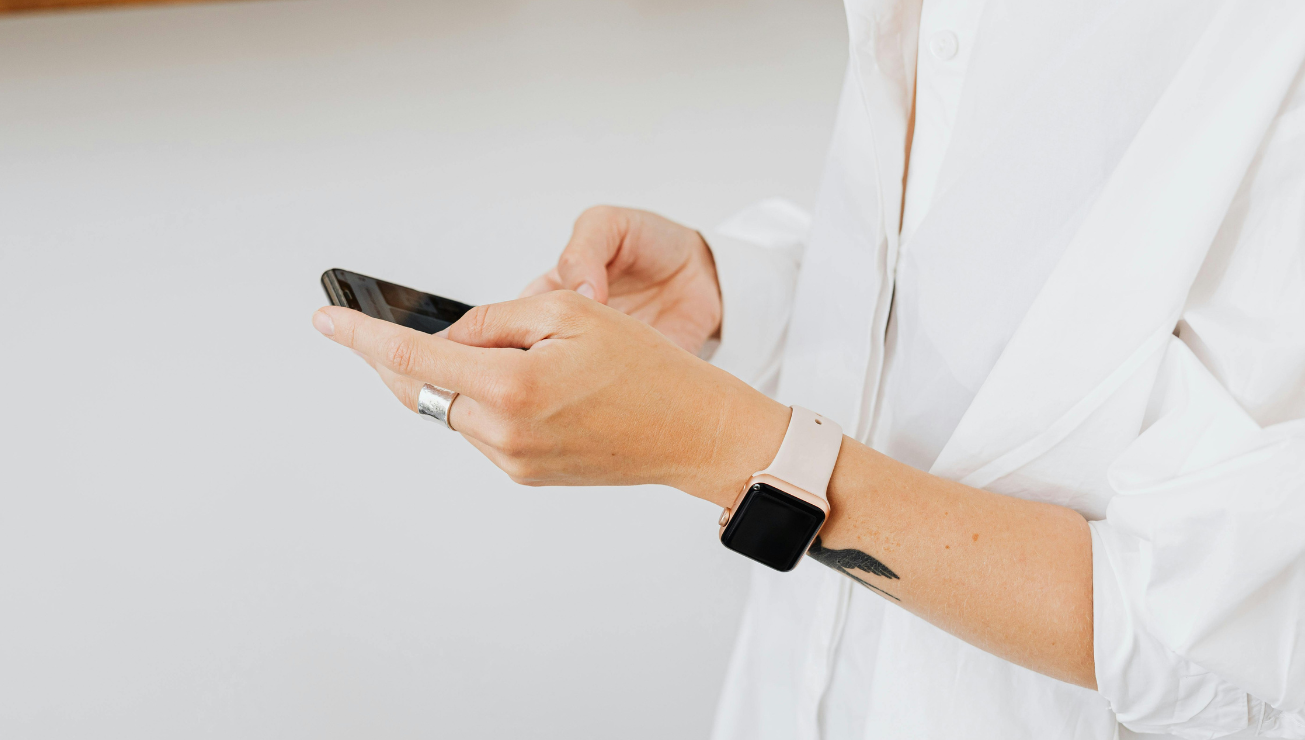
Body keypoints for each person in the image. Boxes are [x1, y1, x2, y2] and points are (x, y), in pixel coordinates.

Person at [312, 1, 1305, 737]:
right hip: (797, 690)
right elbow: (991, 319)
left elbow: (1217, 630)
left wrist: (720, 446)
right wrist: (735, 293)